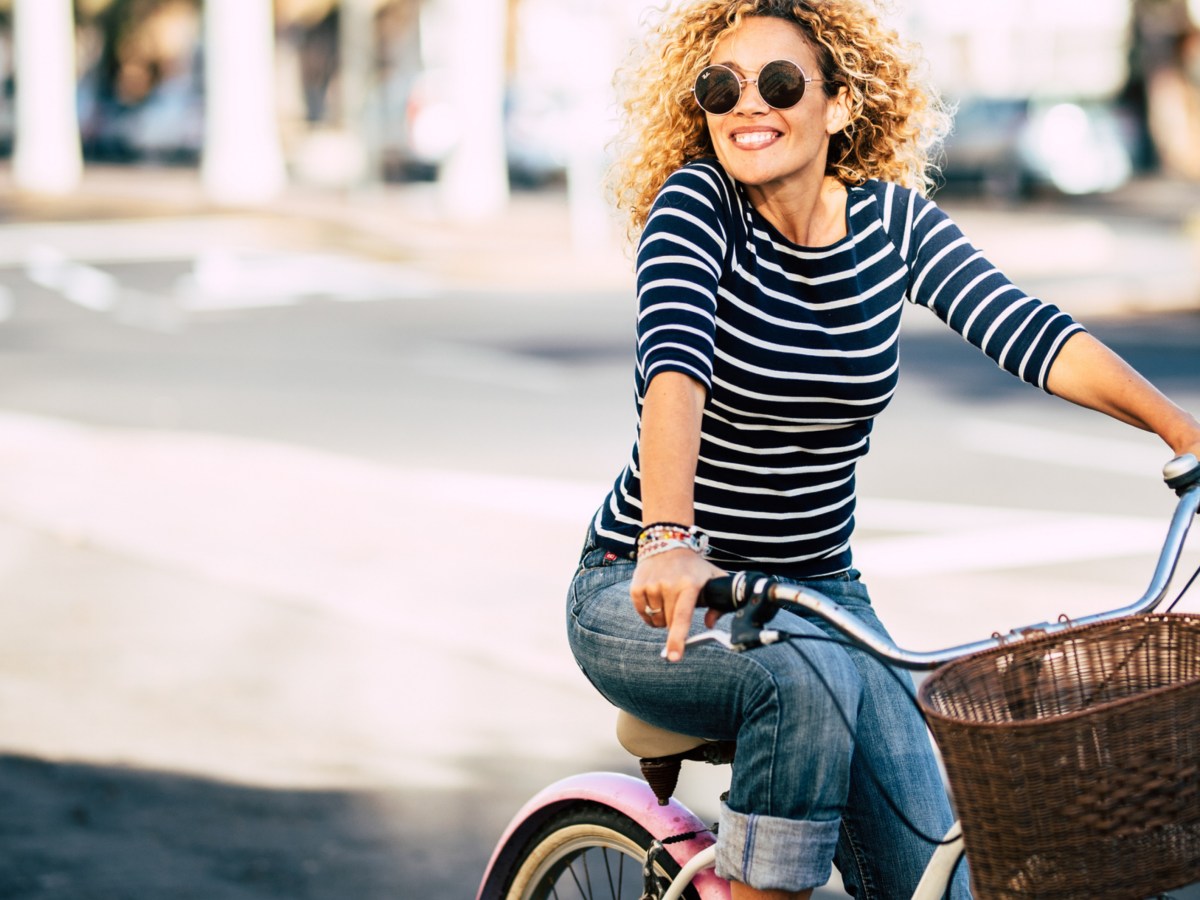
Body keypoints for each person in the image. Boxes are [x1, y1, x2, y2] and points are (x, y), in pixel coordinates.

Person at [564, 2, 1200, 898]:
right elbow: (674, 368)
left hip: (819, 592)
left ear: (841, 103)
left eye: (780, 83)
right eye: (722, 86)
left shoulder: (893, 226)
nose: (749, 104)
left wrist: (1184, 432)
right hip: (650, 592)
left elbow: (1031, 331)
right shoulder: (696, 207)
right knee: (801, 677)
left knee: (939, 872)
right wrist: (667, 538)